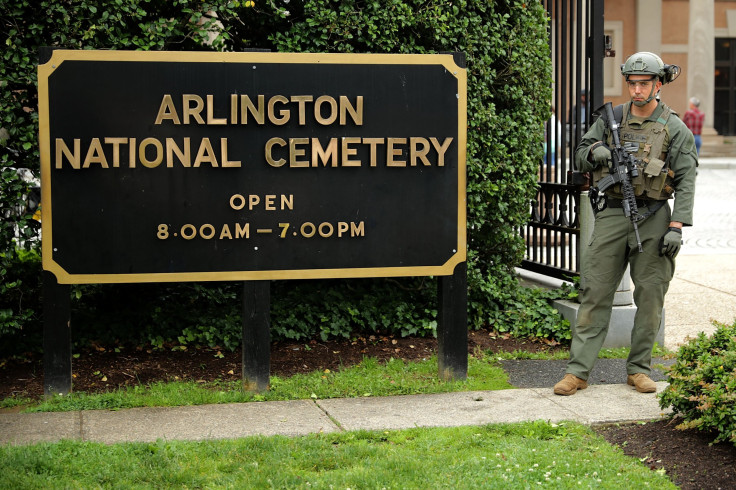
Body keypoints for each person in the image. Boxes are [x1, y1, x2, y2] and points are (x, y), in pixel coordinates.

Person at [553, 52, 698, 396]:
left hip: (654, 216)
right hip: (612, 215)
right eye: (632, 83)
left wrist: (677, 225)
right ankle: (578, 371)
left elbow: (688, 179)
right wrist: (596, 152)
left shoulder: (674, 126)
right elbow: (581, 152)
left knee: (650, 295)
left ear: (658, 85)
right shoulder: (611, 119)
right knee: (596, 291)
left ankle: (638, 369)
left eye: (643, 83)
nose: (636, 90)